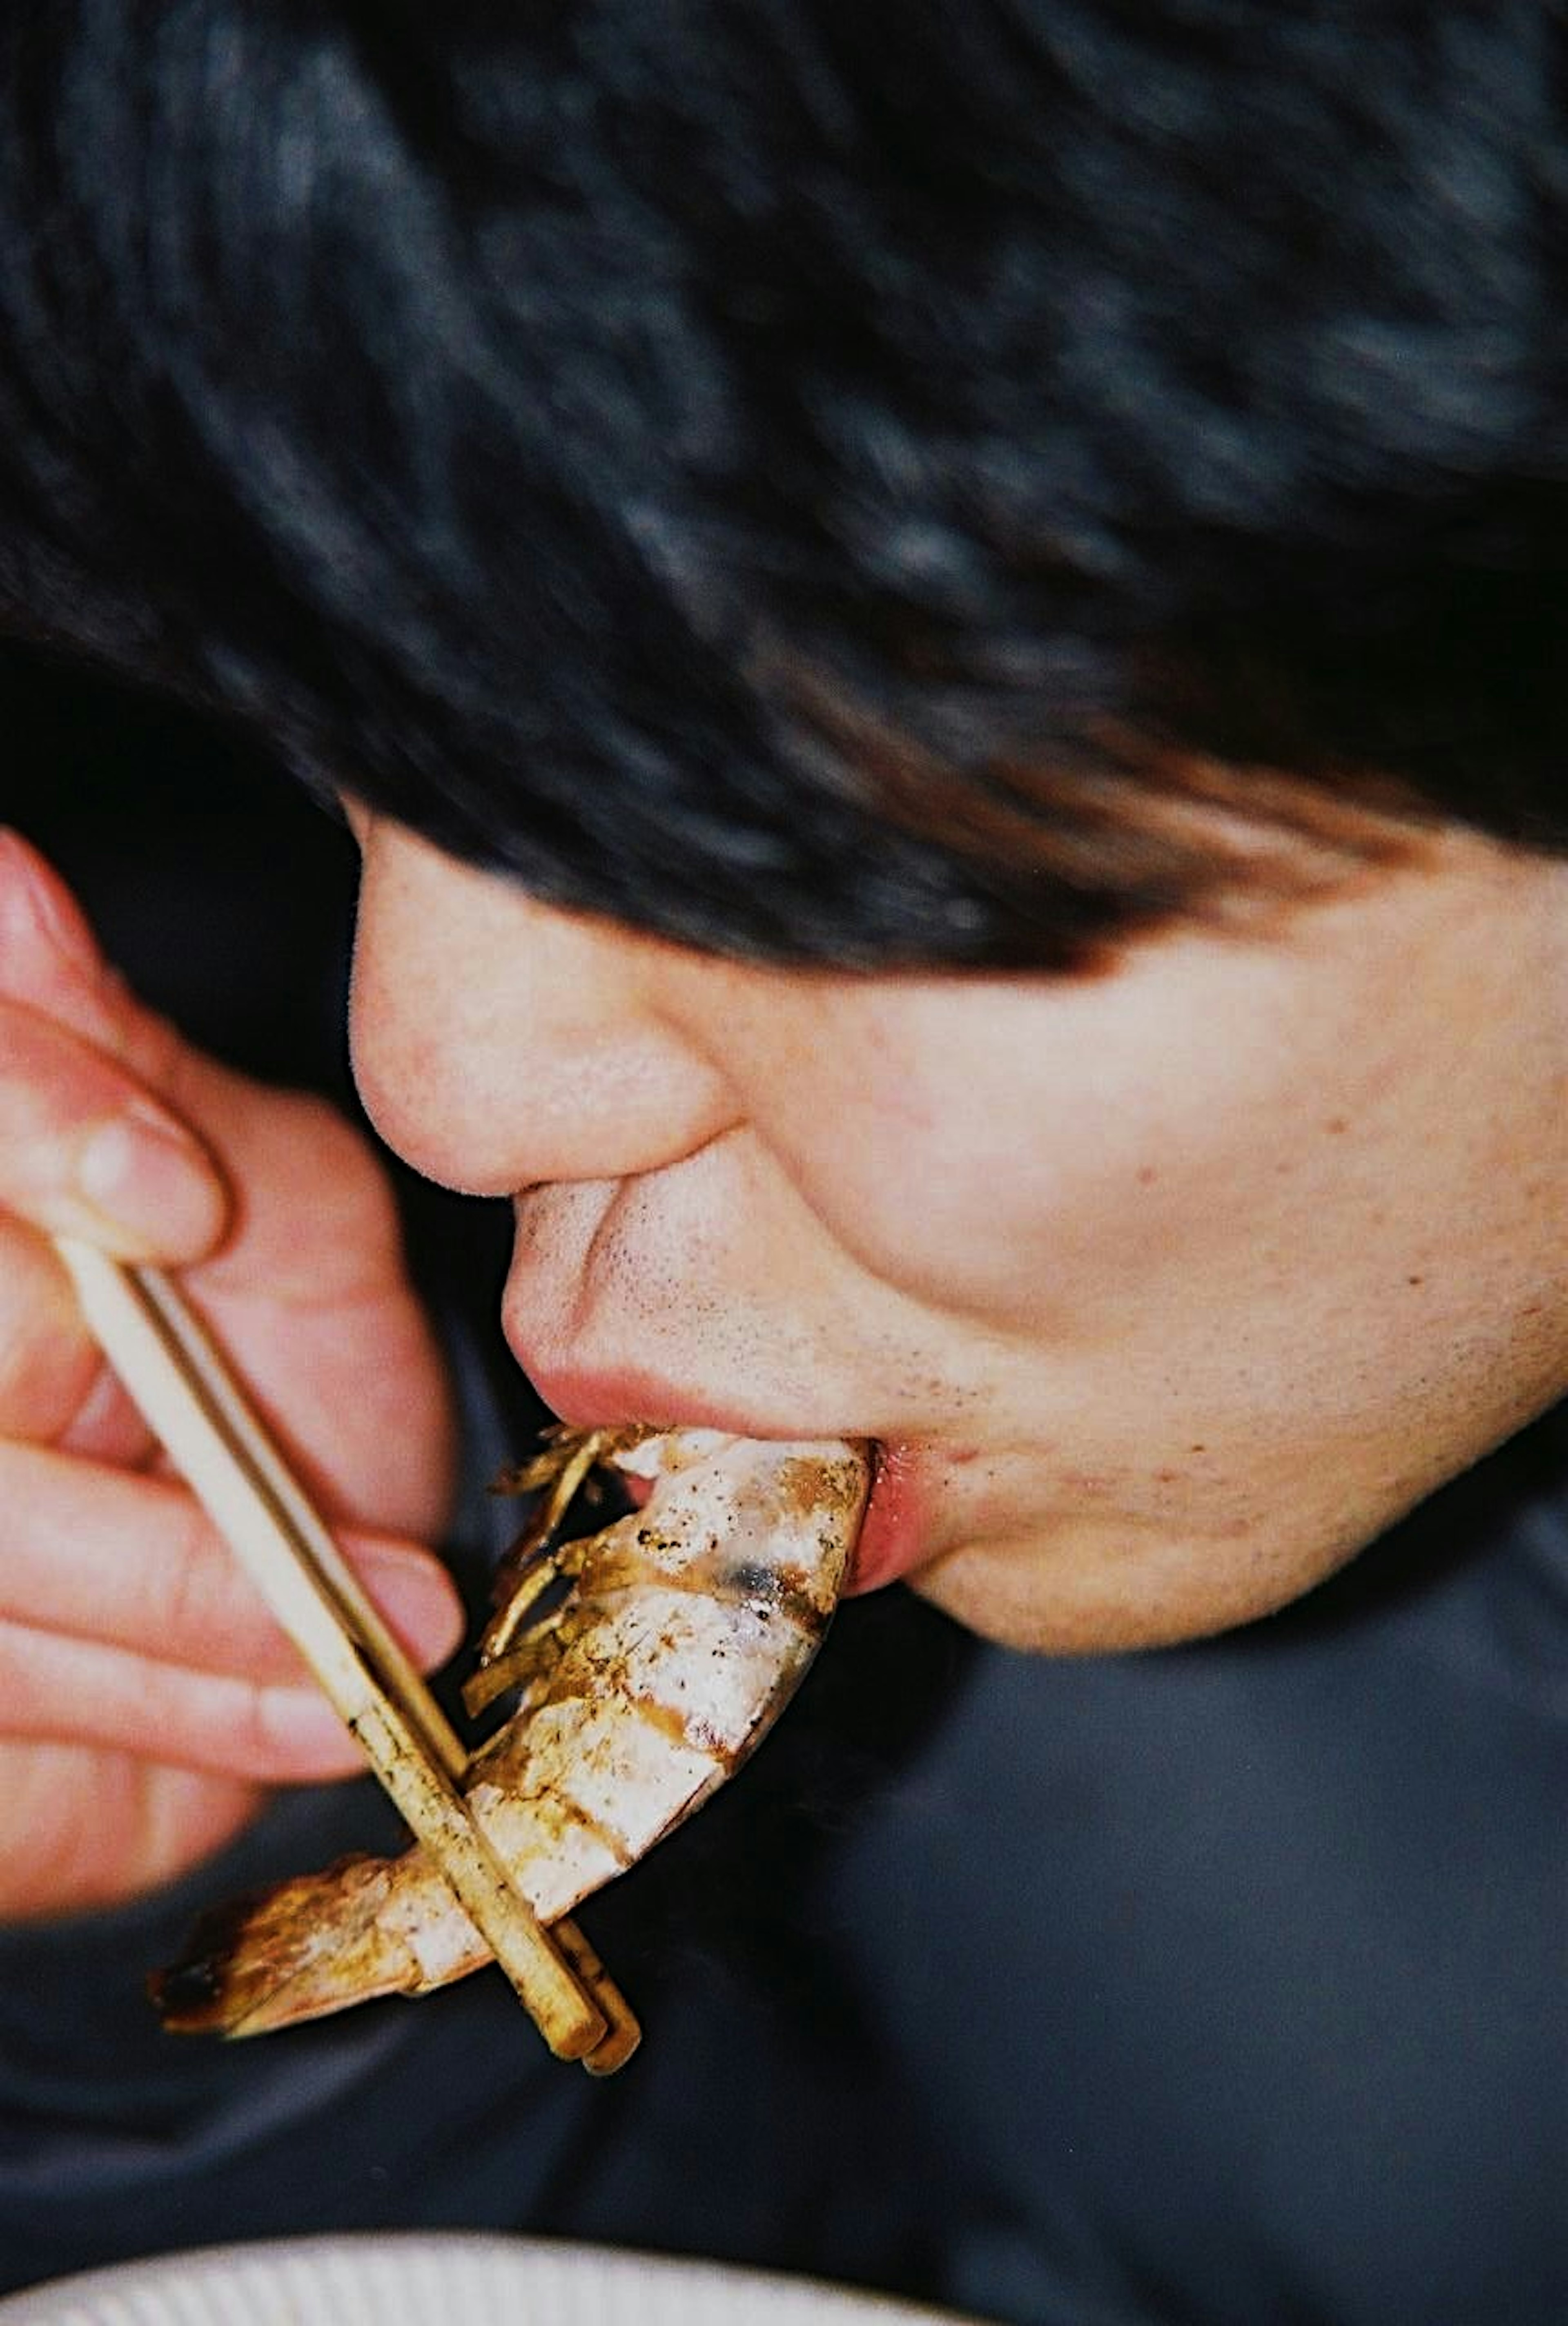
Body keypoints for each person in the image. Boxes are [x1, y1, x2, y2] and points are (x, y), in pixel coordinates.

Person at [0, 3, 1564, 2317]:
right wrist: (272, 1825)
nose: (440, 1086)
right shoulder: (1140, 1499)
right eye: (356, 746)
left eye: (762, 826)